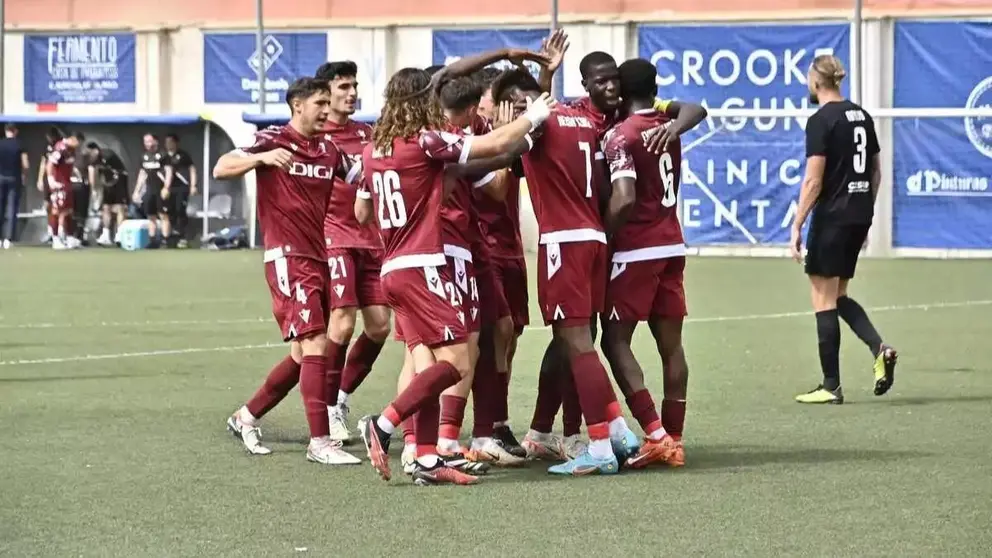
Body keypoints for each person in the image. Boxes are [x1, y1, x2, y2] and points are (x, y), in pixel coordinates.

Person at [355, 67, 555, 486]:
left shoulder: (375, 148)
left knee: (427, 361)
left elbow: (363, 211)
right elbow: (493, 143)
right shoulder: (426, 141)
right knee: (458, 360)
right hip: (424, 265)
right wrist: (533, 117)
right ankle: (385, 423)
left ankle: (426, 456)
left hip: (392, 265)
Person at [215, 77, 362, 466]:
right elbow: (221, 166)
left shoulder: (329, 150)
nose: (327, 111)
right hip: (287, 258)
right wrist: (260, 159)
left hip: (318, 257)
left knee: (302, 355)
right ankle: (320, 443)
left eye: (329, 104)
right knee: (316, 344)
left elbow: (362, 179)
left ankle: (245, 416)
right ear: (297, 105)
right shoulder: (272, 140)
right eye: (320, 103)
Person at [491, 68, 630, 476]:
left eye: (517, 106)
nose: (518, 113)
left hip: (564, 241)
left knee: (577, 344)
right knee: (577, 341)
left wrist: (506, 128)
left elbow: (498, 164)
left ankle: (604, 443)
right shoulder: (582, 119)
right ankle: (601, 431)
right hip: (595, 238)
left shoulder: (534, 126)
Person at [791, 55, 897, 404]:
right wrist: (864, 211)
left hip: (833, 216)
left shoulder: (821, 120)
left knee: (822, 297)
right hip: (857, 214)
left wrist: (797, 224)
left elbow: (813, 180)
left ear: (816, 81)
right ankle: (879, 349)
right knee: (838, 296)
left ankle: (830, 385)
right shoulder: (861, 116)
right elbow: (876, 171)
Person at [601, 58, 690, 468]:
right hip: (672, 245)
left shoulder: (621, 135)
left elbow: (626, 197)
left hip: (636, 250)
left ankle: (654, 432)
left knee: (614, 340)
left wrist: (604, 235)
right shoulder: (668, 126)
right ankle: (675, 437)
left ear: (621, 87)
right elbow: (692, 109)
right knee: (671, 347)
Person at [311, 61, 393, 444]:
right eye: (343, 86)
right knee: (342, 322)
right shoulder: (316, 135)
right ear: (326, 93)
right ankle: (326, 410)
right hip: (335, 238)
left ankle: (340, 399)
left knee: (378, 327)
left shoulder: (368, 133)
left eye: (354, 85)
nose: (351, 92)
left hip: (371, 239)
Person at [133, 134, 172, 247]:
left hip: (160, 189)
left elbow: (168, 172)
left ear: (155, 142)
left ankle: (165, 240)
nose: (147, 144)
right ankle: (152, 240)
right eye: (145, 141)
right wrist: (137, 190)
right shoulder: (143, 156)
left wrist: (166, 187)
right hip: (149, 190)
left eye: (149, 141)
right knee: (151, 216)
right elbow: (142, 174)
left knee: (163, 214)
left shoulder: (163, 155)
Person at [88, 142, 130, 247]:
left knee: (120, 208)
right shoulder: (93, 160)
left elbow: (101, 168)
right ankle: (105, 235)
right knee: (106, 208)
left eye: (91, 153)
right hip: (108, 183)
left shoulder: (107, 154)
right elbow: (92, 172)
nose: (90, 156)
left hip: (119, 180)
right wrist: (93, 190)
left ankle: (120, 234)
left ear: (96, 150)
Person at [46, 131, 82, 250]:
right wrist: (51, 180)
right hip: (58, 184)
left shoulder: (71, 150)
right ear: (73, 138)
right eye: (78, 142)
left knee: (68, 210)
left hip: (66, 183)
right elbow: (50, 163)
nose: (78, 145)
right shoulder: (61, 148)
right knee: (57, 210)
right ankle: (55, 239)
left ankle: (67, 237)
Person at [163, 134, 198, 248]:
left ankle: (183, 237)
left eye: (170, 142)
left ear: (176, 143)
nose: (168, 144)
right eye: (166, 142)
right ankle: (171, 237)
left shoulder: (183, 155)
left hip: (181, 188)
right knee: (169, 212)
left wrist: (193, 185)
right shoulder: (163, 157)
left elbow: (192, 170)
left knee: (180, 210)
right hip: (168, 189)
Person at [0, 124, 29, 249]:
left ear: (6, 131)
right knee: (12, 208)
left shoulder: (0, 144)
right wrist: (24, 176)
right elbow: (26, 164)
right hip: (14, 178)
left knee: (0, 208)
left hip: (0, 177)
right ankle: (8, 239)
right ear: (15, 131)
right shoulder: (20, 144)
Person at [37, 128, 63, 243]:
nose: (49, 139)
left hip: (58, 180)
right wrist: (40, 179)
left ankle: (60, 231)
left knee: (58, 206)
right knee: (48, 205)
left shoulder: (61, 147)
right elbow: (43, 163)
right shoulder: (47, 147)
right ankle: (50, 230)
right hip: (48, 180)